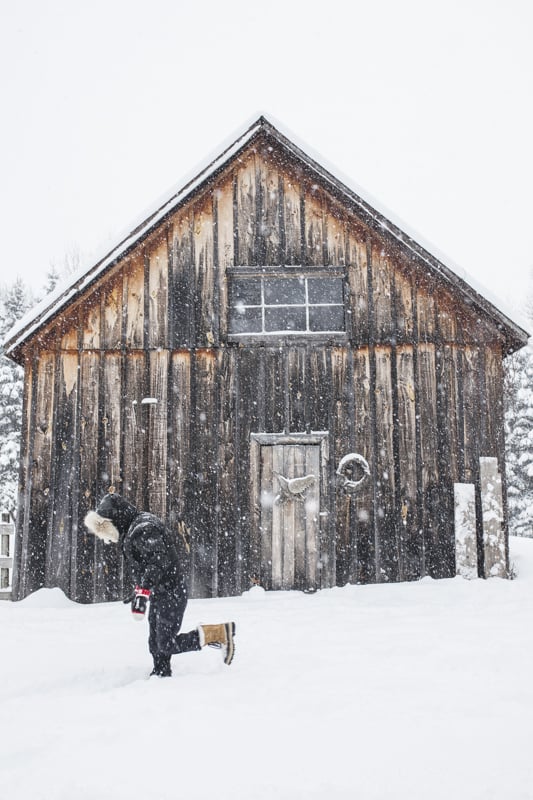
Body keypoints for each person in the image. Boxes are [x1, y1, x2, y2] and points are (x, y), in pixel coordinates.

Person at [84, 492, 235, 677]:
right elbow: (147, 564)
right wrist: (140, 590)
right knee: (155, 643)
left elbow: (158, 561)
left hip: (172, 591)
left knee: (166, 643)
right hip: (161, 591)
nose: (107, 537)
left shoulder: (143, 528)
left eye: (106, 529)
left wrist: (144, 589)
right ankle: (161, 674)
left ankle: (218, 633)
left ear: (115, 520)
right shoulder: (134, 527)